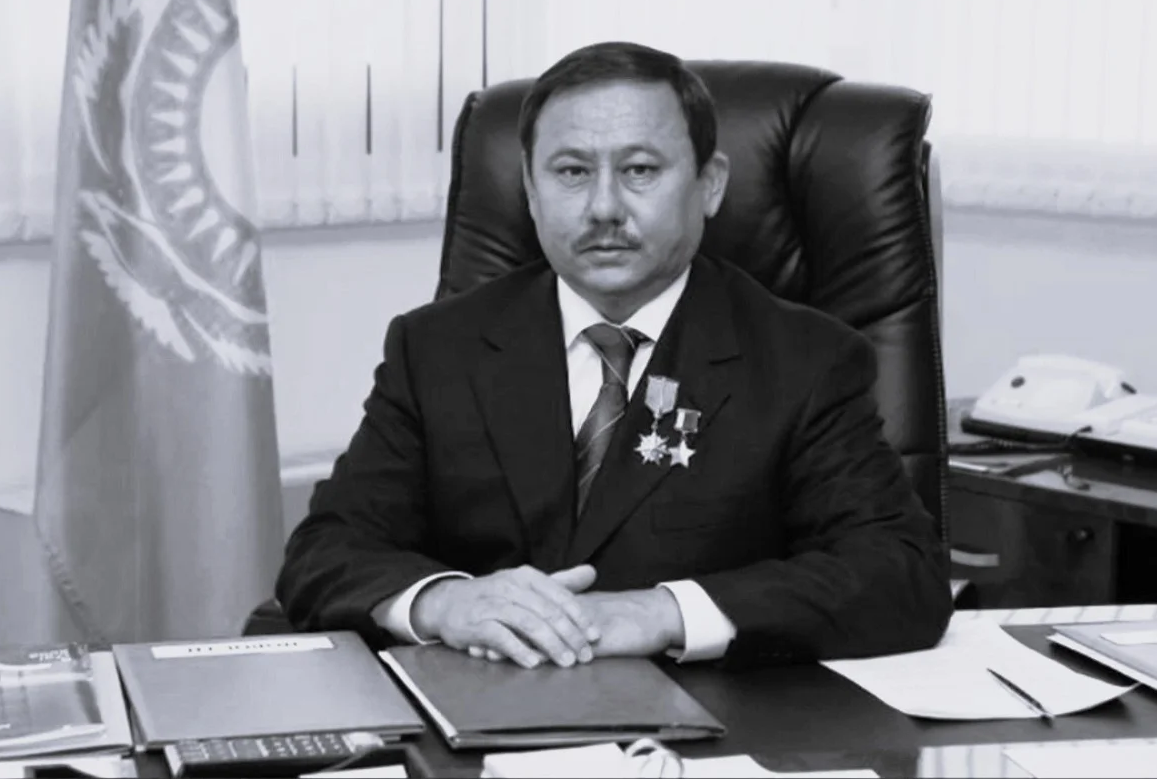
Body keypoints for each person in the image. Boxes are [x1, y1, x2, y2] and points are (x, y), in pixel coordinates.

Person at [276, 41, 953, 670]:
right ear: (530, 188)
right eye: (572, 172)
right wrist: (445, 603)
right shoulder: (437, 348)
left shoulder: (803, 359)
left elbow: (900, 573)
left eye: (640, 171)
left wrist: (664, 613)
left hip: (708, 723)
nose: (604, 207)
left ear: (710, 184)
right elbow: (325, 551)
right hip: (480, 707)